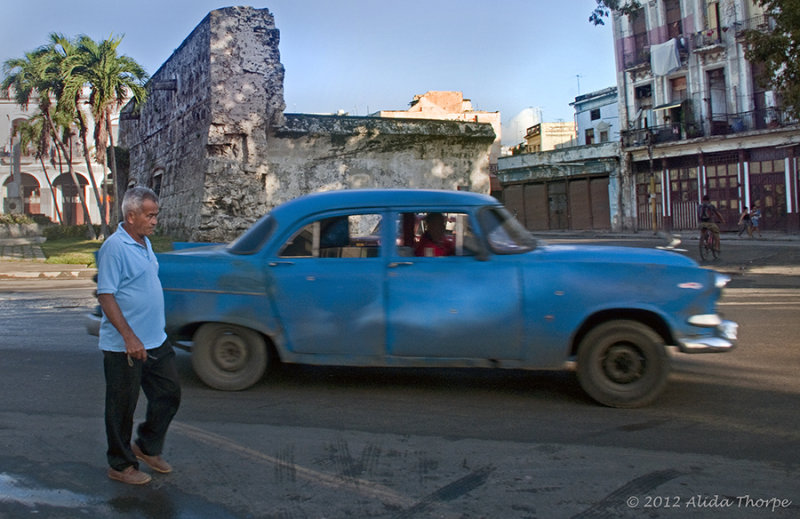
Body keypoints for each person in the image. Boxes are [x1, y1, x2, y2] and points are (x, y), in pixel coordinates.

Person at [96, 186, 181, 485]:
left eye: (156, 215)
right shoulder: (114, 248)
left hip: (155, 340)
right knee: (122, 408)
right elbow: (106, 295)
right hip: (125, 346)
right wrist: (130, 338)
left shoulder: (144, 242)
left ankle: (145, 447)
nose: (155, 221)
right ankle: (120, 465)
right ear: (131, 216)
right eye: (149, 215)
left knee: (169, 394)